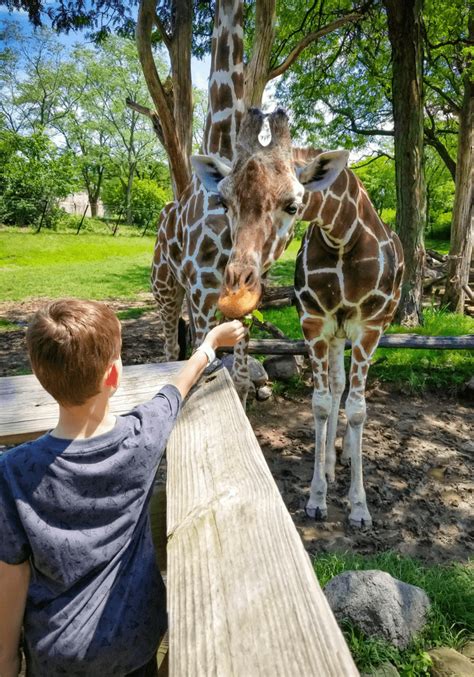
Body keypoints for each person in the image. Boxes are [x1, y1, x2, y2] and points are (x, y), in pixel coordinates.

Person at [0, 299, 245, 677]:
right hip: (133, 645)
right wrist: (209, 345)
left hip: (55, 656)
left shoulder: (12, 472)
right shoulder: (142, 437)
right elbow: (174, 392)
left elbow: (10, 581)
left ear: (38, 373)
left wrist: (5, 662)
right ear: (114, 376)